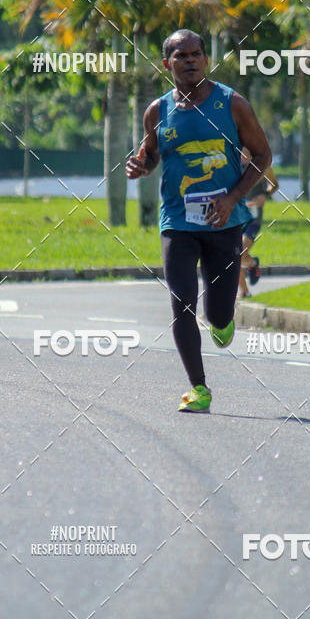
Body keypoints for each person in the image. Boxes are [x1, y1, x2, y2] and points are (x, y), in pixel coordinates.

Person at [126, 28, 272, 413]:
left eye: (196, 54)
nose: (189, 60)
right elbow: (152, 154)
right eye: (180, 56)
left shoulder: (232, 104)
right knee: (181, 303)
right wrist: (142, 165)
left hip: (223, 222)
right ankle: (199, 388)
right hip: (177, 221)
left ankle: (223, 321)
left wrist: (232, 198)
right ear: (166, 64)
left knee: (218, 313)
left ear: (206, 60)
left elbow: (262, 155)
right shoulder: (158, 111)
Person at [238, 148, 279, 298]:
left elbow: (274, 184)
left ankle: (253, 263)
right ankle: (245, 291)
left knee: (240, 253)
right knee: (234, 255)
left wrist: (264, 195)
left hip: (253, 218)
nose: (243, 155)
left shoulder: (261, 165)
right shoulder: (231, 164)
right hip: (235, 216)